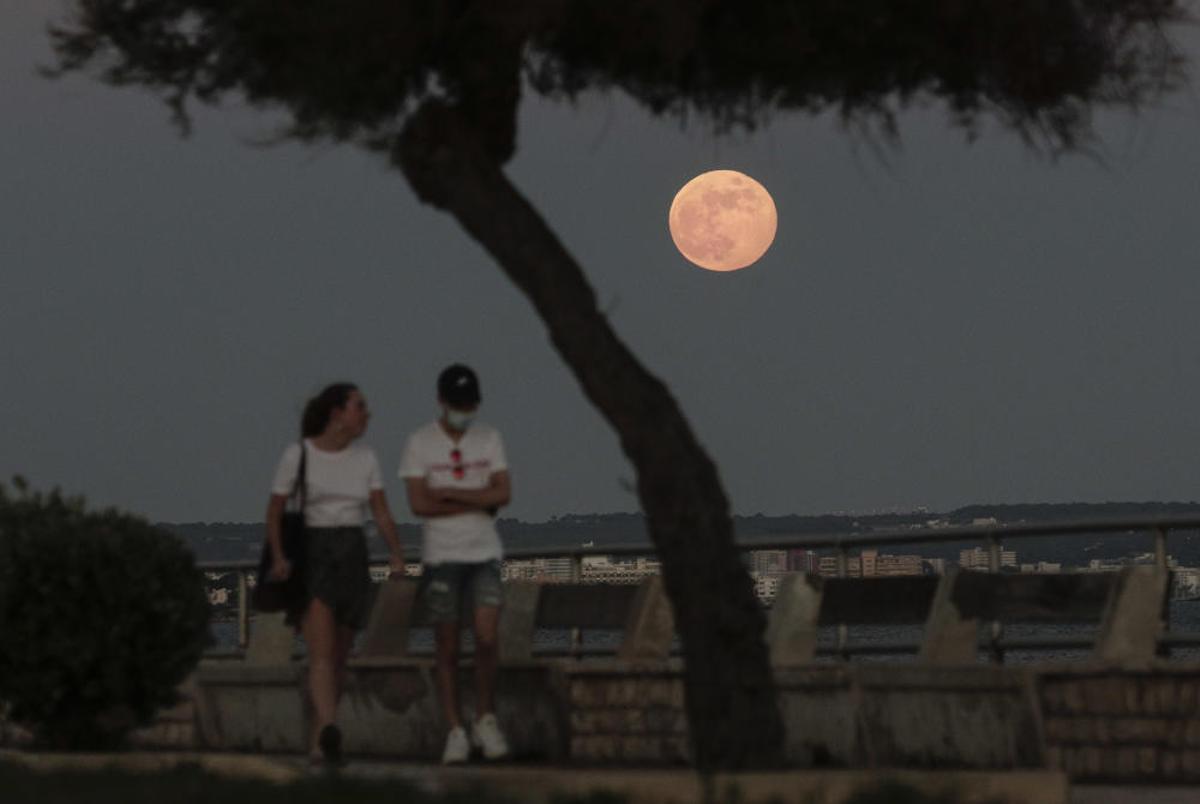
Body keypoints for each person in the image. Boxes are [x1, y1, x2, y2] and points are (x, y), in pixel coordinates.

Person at [266, 382, 406, 768]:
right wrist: (279, 556)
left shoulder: (367, 458)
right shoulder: (299, 455)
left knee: (340, 656)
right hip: (314, 551)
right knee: (322, 654)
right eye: (359, 406)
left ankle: (319, 739)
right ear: (337, 412)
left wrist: (396, 554)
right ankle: (330, 726)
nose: (366, 414)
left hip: (352, 552)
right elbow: (276, 509)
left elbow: (379, 510)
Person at [398, 364, 512, 764]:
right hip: (442, 557)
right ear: (442, 403)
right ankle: (455, 729)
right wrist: (478, 498)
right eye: (459, 404)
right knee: (446, 646)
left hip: (484, 553)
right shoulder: (419, 443)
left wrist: (449, 494)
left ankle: (485, 717)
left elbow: (504, 492)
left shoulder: (490, 439)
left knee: (485, 636)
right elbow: (419, 503)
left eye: (471, 404)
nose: (466, 411)